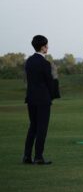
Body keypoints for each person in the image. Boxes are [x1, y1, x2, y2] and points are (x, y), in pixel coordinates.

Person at [23, 35, 56, 165]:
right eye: (46, 45)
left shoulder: (29, 61)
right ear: (43, 47)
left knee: (33, 127)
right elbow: (49, 82)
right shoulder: (45, 63)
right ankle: (38, 157)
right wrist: (52, 94)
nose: (47, 47)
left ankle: (26, 156)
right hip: (43, 99)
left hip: (31, 98)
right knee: (42, 128)